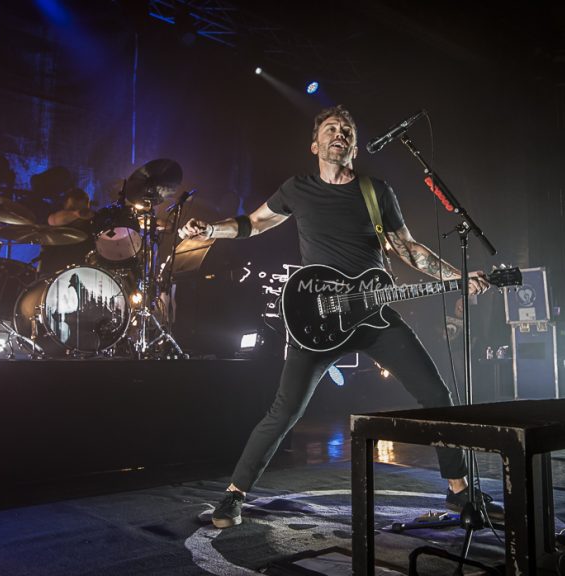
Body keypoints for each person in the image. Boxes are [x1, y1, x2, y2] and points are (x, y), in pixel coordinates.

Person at [179, 105, 502, 528]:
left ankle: (458, 491)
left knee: (437, 395)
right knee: (284, 411)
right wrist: (210, 231)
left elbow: (408, 249)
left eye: (347, 130)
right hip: (318, 318)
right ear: (315, 145)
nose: (339, 134)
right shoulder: (298, 188)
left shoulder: (376, 191)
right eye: (331, 129)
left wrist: (457, 277)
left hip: (374, 316)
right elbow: (254, 223)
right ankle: (234, 494)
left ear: (354, 146)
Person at [38, 188, 95, 276]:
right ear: (64, 205)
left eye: (83, 209)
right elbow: (53, 220)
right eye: (72, 208)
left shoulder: (91, 224)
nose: (78, 212)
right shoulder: (56, 215)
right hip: (52, 274)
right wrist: (77, 214)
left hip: (82, 274)